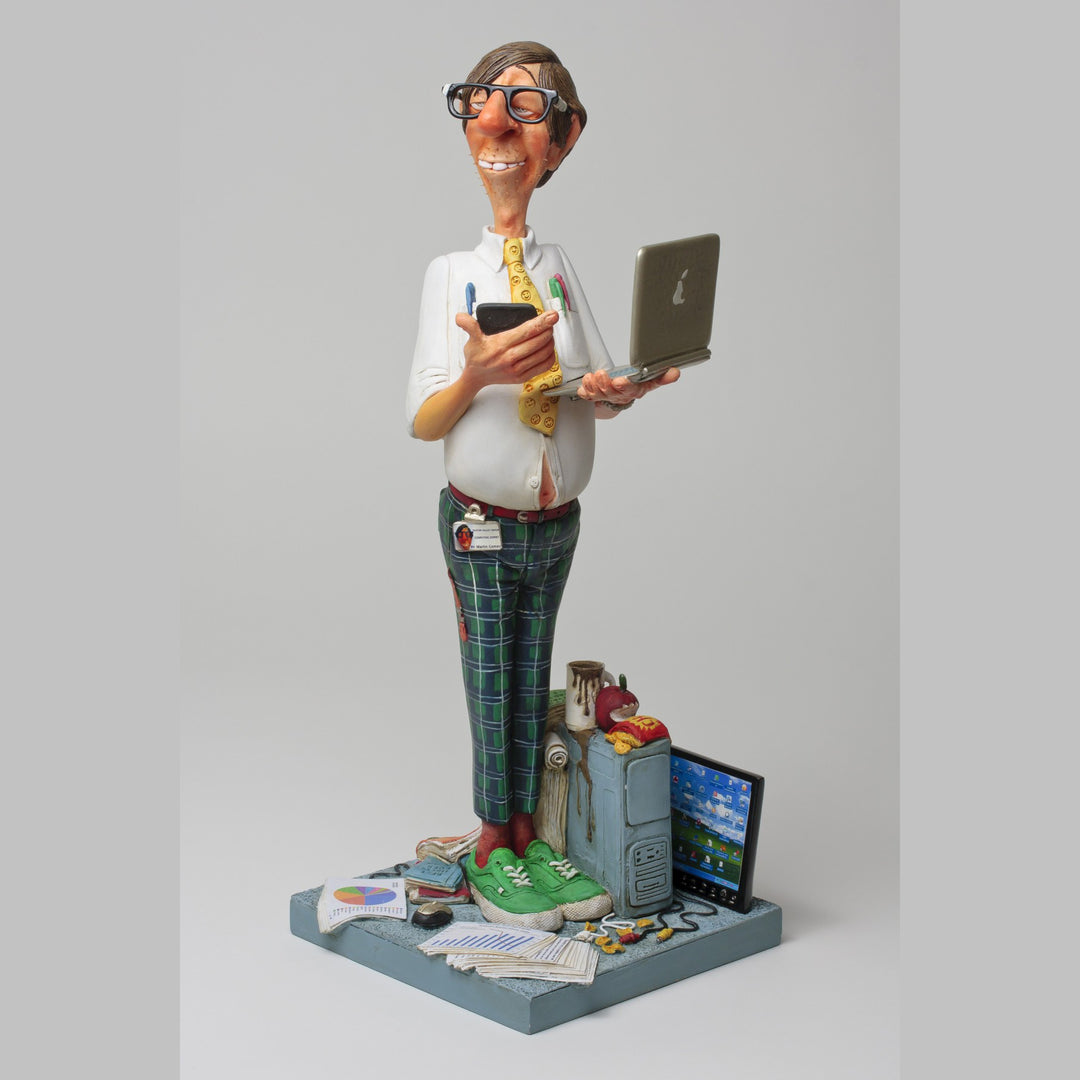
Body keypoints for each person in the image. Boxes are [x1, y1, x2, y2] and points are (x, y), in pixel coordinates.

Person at [406, 41, 678, 930]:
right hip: (481, 525)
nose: (496, 124)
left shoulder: (557, 265)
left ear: (562, 140)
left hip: (555, 523)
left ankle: (530, 835)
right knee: (492, 683)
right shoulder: (453, 275)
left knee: (531, 681)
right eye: (482, 102)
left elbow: (589, 382)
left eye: (525, 109)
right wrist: (478, 374)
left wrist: (619, 388)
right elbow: (424, 419)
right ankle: (495, 843)